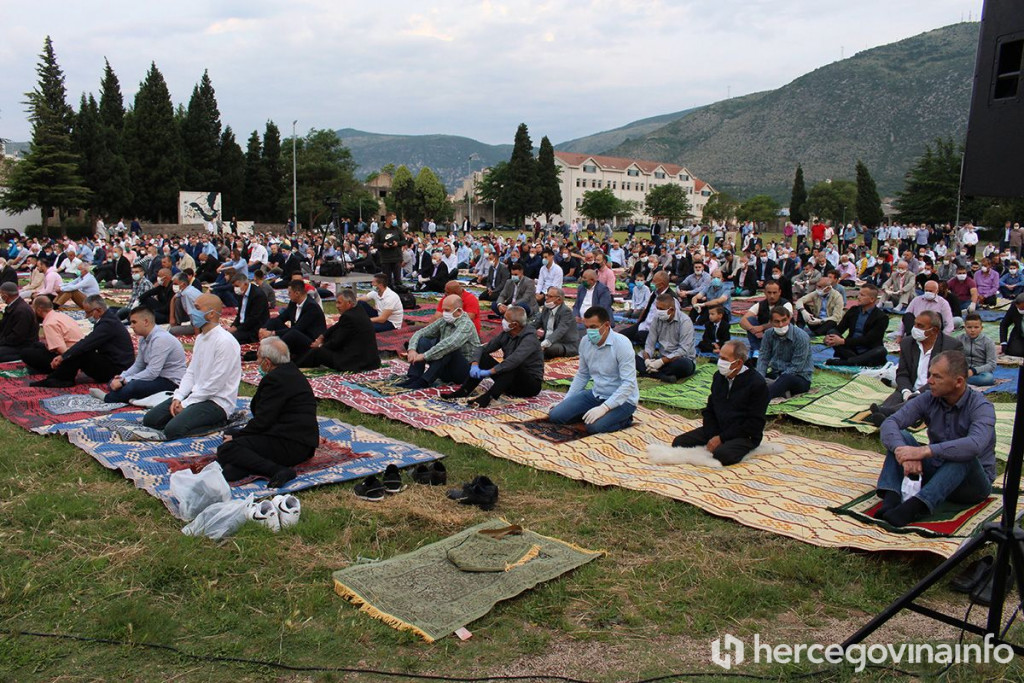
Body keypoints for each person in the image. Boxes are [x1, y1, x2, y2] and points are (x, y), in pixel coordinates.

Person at [873, 351, 996, 527]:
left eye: (937, 376)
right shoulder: (929, 397)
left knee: (964, 455)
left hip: (972, 485)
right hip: (938, 470)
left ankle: (915, 507)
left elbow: (975, 445)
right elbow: (890, 423)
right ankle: (891, 499)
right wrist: (904, 452)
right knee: (902, 437)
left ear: (958, 382)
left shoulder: (981, 407)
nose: (929, 381)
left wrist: (924, 451)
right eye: (930, 374)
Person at [216, 337, 319, 488]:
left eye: (258, 357)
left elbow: (263, 421)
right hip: (298, 441)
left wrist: (236, 437)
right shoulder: (290, 371)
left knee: (227, 449)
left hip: (290, 444)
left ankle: (278, 470)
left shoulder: (275, 380)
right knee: (232, 467)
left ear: (267, 362)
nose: (257, 362)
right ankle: (242, 467)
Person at [142, 294, 241, 439]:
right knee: (150, 420)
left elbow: (215, 384)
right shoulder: (201, 338)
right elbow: (191, 372)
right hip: (196, 395)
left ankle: (221, 423)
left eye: (197, 308)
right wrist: (179, 397)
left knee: (173, 430)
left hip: (216, 401)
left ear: (211, 314)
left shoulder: (225, 342)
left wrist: (187, 403)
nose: (192, 312)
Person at [670, 340, 769, 465]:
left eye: (724, 359)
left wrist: (722, 438)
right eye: (719, 357)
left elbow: (754, 423)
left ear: (738, 363)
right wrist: (713, 435)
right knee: (679, 443)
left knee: (722, 455)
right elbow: (710, 408)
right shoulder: (719, 377)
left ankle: (737, 448)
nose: (720, 362)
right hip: (719, 428)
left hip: (744, 434)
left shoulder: (756, 384)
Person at [548, 306, 638, 434]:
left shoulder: (622, 344)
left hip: (623, 400)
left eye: (594, 327)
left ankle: (625, 419)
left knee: (594, 428)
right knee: (556, 416)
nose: (590, 331)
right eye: (587, 327)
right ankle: (595, 413)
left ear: (606, 325)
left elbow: (628, 384)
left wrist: (605, 407)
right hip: (597, 394)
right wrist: (566, 400)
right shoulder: (585, 342)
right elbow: (582, 375)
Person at [867, 310, 964, 423]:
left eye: (920, 326)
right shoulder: (907, 343)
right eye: (915, 324)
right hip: (910, 387)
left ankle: (889, 414)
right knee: (893, 400)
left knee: (918, 400)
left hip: (936, 391)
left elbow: (946, 379)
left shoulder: (951, 346)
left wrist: (918, 393)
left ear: (934, 330)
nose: (915, 328)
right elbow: (902, 373)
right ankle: (885, 413)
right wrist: (906, 390)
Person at [440, 305, 543, 408]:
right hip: (507, 380)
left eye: (505, 319)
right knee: (483, 357)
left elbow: (514, 360)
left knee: (512, 365)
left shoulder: (530, 339)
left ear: (514, 324)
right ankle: (464, 391)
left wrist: (490, 372)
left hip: (528, 385)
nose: (503, 321)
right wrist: (475, 364)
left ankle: (488, 398)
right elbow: (482, 348)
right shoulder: (506, 333)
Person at [30, 295, 134, 388]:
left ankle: (61, 379)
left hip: (117, 370)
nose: (86, 316)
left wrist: (63, 356)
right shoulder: (108, 320)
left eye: (88, 312)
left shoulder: (107, 324)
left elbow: (87, 343)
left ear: (98, 310)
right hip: (114, 363)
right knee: (78, 351)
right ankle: (59, 377)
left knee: (81, 352)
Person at [89, 306, 187, 403]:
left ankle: (109, 398)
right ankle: (127, 395)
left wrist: (125, 381)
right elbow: (139, 365)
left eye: (134, 322)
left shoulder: (161, 339)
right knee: (113, 382)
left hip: (171, 381)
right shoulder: (144, 339)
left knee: (133, 386)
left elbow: (152, 372)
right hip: (157, 377)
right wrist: (122, 377)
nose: (131, 326)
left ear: (146, 322)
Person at [400, 294, 480, 390]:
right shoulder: (444, 321)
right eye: (443, 310)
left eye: (447, 310)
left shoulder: (466, 324)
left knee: (447, 348)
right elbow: (421, 332)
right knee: (423, 341)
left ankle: (424, 381)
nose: (444, 313)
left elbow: (451, 343)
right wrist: (412, 349)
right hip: (445, 367)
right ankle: (414, 377)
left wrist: (424, 356)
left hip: (464, 372)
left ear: (458, 311)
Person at [298, 289, 381, 372]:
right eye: (336, 302)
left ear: (349, 303)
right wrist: (322, 336)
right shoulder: (358, 309)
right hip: (370, 360)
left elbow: (336, 342)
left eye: (339, 303)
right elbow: (336, 326)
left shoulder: (349, 317)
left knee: (318, 351)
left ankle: (296, 365)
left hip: (355, 362)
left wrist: (321, 345)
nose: (337, 306)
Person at [823, 283, 889, 367]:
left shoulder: (881, 317)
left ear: (872, 299)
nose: (858, 297)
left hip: (868, 350)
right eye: (859, 294)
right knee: (832, 332)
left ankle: (848, 362)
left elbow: (869, 340)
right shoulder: (853, 311)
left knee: (881, 351)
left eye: (862, 295)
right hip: (850, 349)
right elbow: (839, 329)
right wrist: (828, 338)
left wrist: (843, 341)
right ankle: (857, 361)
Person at [756, 305, 814, 400]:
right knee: (752, 375)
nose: (781, 325)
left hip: (799, 377)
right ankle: (779, 390)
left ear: (789, 319)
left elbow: (796, 367)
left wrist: (777, 381)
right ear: (771, 322)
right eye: (777, 321)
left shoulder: (801, 337)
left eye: (784, 320)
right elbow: (763, 357)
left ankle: (762, 399)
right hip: (776, 373)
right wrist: (760, 378)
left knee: (785, 379)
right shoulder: (768, 334)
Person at [260, 279, 327, 360]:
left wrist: (272, 333)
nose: (288, 295)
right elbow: (281, 318)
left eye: (289, 293)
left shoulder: (312, 307)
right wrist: (264, 329)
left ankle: (273, 354)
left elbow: (298, 328)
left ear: (297, 293)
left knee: (292, 333)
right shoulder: (293, 303)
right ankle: (264, 348)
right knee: (274, 321)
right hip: (296, 335)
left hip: (310, 341)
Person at [637, 292, 696, 382]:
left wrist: (661, 362)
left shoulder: (685, 322)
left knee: (683, 364)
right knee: (633, 358)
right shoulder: (657, 318)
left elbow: (683, 350)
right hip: (662, 358)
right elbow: (650, 343)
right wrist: (647, 360)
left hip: (678, 359)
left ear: (671, 310)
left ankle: (651, 373)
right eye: (657, 308)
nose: (658, 311)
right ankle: (661, 375)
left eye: (661, 309)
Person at [20, 296, 84, 373]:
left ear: (39, 310)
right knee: (36, 345)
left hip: (71, 356)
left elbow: (62, 350)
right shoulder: (60, 315)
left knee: (26, 353)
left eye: (33, 309)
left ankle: (48, 369)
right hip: (79, 350)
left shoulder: (49, 323)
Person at [739, 281, 792, 353]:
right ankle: (757, 351)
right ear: (765, 292)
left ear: (779, 292)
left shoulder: (786, 304)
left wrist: (762, 327)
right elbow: (742, 321)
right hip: (761, 335)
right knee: (750, 320)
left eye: (774, 293)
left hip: (780, 336)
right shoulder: (760, 304)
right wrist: (754, 330)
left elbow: (784, 322)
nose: (772, 296)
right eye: (769, 293)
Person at [532, 287, 579, 359]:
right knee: (528, 342)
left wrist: (545, 343)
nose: (546, 298)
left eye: (550, 296)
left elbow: (560, 331)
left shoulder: (566, 312)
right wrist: (523, 330)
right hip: (546, 340)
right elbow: (537, 323)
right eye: (546, 295)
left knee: (550, 349)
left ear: (559, 300)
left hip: (564, 344)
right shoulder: (546, 308)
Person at [0, 282, 40, 362]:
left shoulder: (22, 311)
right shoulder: (14, 306)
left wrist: (1, 341)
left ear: (5, 295)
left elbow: (17, 336)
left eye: (1, 294)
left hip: (22, 345)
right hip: (12, 341)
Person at [226, 272, 270, 343]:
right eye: (234, 286)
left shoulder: (258, 295)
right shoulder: (241, 293)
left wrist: (237, 329)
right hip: (244, 325)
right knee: (225, 334)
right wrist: (234, 325)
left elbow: (254, 319)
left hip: (254, 328)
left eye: (237, 286)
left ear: (245, 284)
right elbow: (240, 314)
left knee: (230, 339)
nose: (235, 289)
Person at [959, 313, 997, 387]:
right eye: (969, 327)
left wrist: (974, 371)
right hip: (963, 370)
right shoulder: (959, 339)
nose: (972, 330)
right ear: (964, 327)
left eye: (976, 327)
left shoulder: (988, 342)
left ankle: (959, 381)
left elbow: (992, 364)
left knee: (988, 379)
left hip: (981, 371)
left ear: (981, 328)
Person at [374, 219, 404, 287]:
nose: (395, 220)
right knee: (387, 280)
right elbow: (375, 244)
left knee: (398, 280)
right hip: (385, 258)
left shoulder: (398, 229)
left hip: (397, 257)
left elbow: (404, 241)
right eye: (393, 218)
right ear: (388, 219)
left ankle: (399, 294)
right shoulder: (380, 231)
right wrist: (383, 245)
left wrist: (397, 243)